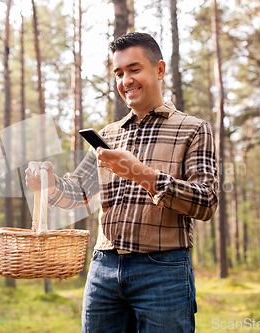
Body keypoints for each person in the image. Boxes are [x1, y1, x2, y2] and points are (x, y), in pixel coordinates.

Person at [25, 32, 218, 333]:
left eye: (134, 69)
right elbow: (78, 194)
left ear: (160, 70)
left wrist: (142, 174)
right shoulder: (108, 135)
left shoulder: (193, 130)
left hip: (163, 271)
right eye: (119, 73)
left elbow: (206, 202)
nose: (125, 80)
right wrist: (49, 185)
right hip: (103, 269)